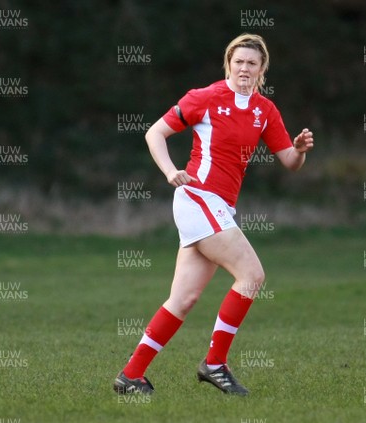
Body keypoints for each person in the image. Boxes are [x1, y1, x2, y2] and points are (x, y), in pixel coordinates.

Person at [113, 33, 314, 396]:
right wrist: (170, 170)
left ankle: (131, 375)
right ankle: (215, 363)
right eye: (238, 61)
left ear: (262, 69)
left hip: (218, 208)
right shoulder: (204, 97)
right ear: (228, 63)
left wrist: (299, 150)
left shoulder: (264, 110)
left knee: (183, 299)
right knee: (252, 276)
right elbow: (155, 132)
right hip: (197, 198)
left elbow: (289, 161)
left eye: (252, 63)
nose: (244, 68)